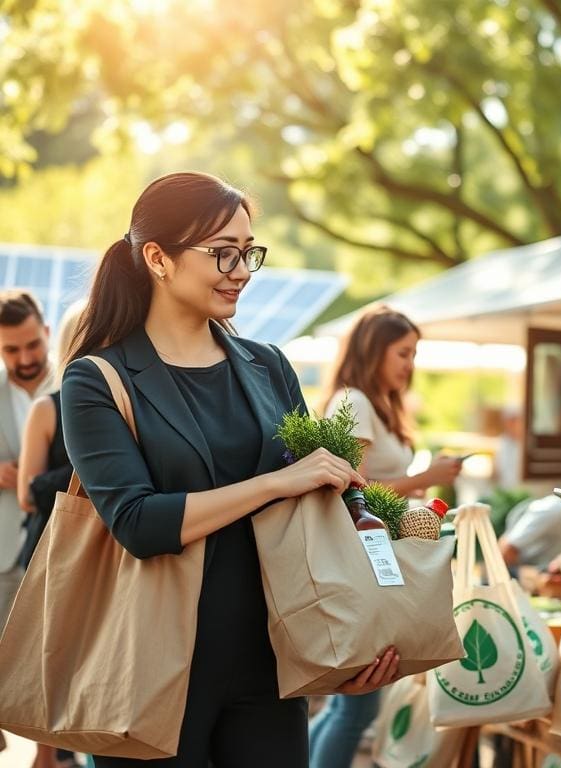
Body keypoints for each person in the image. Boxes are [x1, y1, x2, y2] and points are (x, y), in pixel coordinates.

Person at [60, 171, 395, 768]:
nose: (241, 270)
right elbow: (138, 522)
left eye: (248, 252)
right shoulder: (96, 379)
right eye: (222, 253)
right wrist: (278, 480)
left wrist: (347, 645)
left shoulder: (269, 367)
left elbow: (324, 510)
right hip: (151, 667)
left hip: (269, 663)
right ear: (158, 259)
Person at [308, 305, 462, 768]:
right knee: (358, 706)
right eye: (402, 352)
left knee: (348, 703)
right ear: (374, 351)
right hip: (364, 564)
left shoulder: (375, 405)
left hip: (380, 558)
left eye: (413, 354)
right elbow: (349, 490)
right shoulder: (353, 402)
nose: (409, 364)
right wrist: (424, 478)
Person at [17, 301, 85, 768]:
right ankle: (47, 757)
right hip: (52, 548)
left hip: (89, 547)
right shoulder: (48, 408)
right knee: (53, 661)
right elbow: (27, 495)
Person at [0, 290, 56, 629]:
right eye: (11, 350)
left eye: (33, 345)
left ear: (47, 333)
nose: (24, 359)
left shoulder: (75, 386)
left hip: (55, 549)